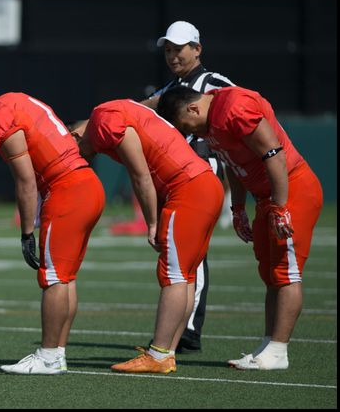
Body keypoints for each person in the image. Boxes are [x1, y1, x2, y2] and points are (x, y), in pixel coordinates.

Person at [158, 86, 323, 371]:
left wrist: (281, 206)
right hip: (266, 196)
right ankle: (269, 344)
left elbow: (274, 154)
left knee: (286, 271)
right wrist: (237, 208)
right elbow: (232, 164)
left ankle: (279, 350)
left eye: (185, 125)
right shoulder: (210, 121)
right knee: (271, 273)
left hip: (291, 188)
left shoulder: (233, 108)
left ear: (193, 109)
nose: (191, 134)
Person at [0, 93, 105, 375]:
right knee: (64, 277)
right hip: (87, 183)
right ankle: (58, 353)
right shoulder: (14, 100)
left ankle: (48, 355)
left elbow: (25, 180)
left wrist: (26, 232)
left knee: (53, 277)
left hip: (67, 189)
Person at [72, 99, 223, 374]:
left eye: (78, 153)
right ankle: (167, 351)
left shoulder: (104, 120)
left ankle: (159, 353)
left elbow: (140, 176)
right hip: (203, 183)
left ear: (75, 136)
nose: (85, 158)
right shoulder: (117, 111)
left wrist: (151, 222)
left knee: (174, 275)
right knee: (185, 275)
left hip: (188, 186)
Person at [142, 20, 236, 355]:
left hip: (200, 170)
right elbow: (142, 110)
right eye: (167, 49)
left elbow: (243, 110)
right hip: (177, 174)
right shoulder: (173, 87)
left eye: (179, 48)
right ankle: (181, 328)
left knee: (191, 256)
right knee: (183, 255)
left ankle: (189, 329)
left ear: (197, 49)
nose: (172, 55)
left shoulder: (212, 83)